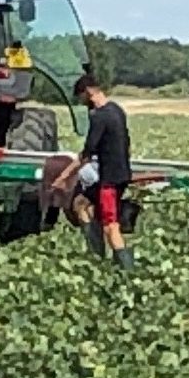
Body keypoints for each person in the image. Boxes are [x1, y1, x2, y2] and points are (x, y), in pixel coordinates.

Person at [76, 75, 134, 267]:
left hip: (109, 178)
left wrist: (65, 176)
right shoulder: (117, 110)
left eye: (81, 96)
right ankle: (96, 253)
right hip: (122, 174)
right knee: (81, 203)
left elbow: (89, 149)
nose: (82, 102)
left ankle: (127, 271)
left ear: (88, 92)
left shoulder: (99, 116)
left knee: (111, 226)